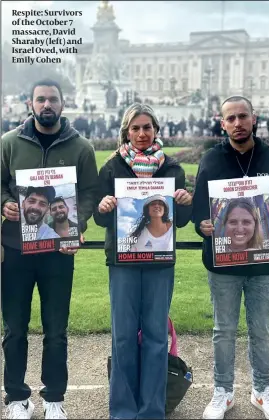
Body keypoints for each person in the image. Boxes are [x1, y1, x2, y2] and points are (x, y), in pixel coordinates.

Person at [1, 78, 98, 420]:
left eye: (52, 99)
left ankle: (54, 397)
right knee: (15, 329)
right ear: (30, 103)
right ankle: (16, 398)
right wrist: (4, 204)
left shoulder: (81, 148)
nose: (46, 105)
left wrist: (77, 223)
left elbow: (88, 193)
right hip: (15, 250)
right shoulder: (9, 143)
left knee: (56, 331)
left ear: (62, 104)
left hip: (58, 252)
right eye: (40, 99)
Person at [94, 103, 193, 420]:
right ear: (127, 132)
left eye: (147, 127)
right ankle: (123, 410)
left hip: (160, 263)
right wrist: (105, 206)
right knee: (123, 336)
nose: (141, 133)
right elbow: (98, 218)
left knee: (154, 336)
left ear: (156, 131)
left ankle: (152, 410)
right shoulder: (111, 168)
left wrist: (185, 202)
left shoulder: (172, 169)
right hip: (122, 262)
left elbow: (181, 221)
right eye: (135, 128)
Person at [192, 95, 269, 420]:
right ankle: (223, 391)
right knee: (224, 329)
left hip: (265, 261)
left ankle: (262, 391)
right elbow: (199, 212)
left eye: (242, 116)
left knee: (261, 330)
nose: (237, 123)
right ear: (222, 123)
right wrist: (203, 225)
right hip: (224, 264)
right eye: (230, 118)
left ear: (254, 118)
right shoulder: (210, 160)